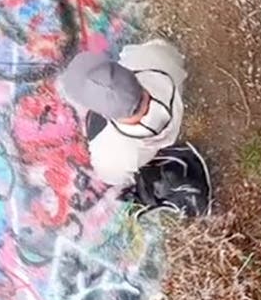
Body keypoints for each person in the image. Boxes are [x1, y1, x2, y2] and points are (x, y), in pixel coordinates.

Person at [56, 39, 187, 188]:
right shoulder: (151, 57)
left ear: (103, 115)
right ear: (130, 73)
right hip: (173, 101)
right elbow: (168, 50)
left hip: (140, 154)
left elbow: (114, 179)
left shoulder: (112, 157)